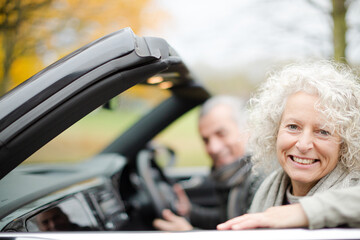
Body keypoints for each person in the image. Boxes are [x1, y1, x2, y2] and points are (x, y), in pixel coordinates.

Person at [217, 60, 360, 230]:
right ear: (275, 131)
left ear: (344, 144)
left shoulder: (352, 186)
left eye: (323, 132)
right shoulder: (269, 187)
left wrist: (302, 212)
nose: (303, 144)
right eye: (293, 127)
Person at [153, 95, 263, 230]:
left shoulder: (260, 179)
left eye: (221, 133)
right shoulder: (235, 175)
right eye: (206, 140)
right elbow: (228, 220)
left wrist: (188, 234)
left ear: (247, 130)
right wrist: (191, 212)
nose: (213, 148)